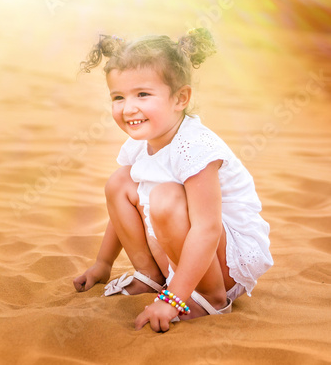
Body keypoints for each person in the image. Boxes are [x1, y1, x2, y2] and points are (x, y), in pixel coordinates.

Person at [73, 28, 274, 333]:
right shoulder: (142, 142)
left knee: (165, 197)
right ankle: (151, 274)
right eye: (118, 97)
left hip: (223, 262)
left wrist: (172, 300)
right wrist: (103, 263)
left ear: (181, 98)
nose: (128, 108)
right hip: (181, 250)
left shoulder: (195, 148)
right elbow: (121, 209)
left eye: (142, 94)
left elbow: (207, 229)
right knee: (120, 182)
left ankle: (209, 296)